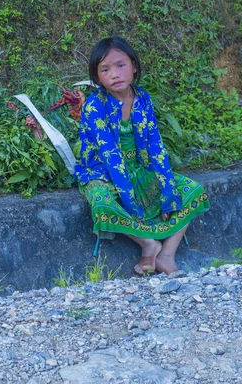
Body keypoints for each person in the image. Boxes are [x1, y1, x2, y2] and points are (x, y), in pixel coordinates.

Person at [74, 37, 210, 275]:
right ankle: (148, 244)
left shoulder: (143, 99)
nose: (114, 74)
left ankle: (166, 255)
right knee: (102, 203)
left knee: (192, 190)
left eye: (120, 65)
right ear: (97, 77)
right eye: (105, 70)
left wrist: (167, 191)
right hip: (102, 172)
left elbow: (156, 148)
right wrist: (131, 204)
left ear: (134, 66)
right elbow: (111, 157)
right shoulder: (95, 105)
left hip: (139, 167)